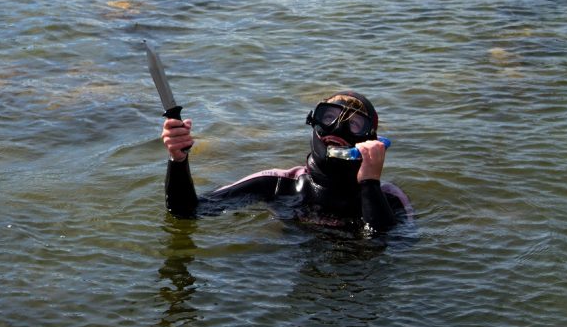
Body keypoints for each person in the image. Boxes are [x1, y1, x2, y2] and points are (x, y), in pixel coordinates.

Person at [162, 91, 412, 233]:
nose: (338, 127)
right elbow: (187, 212)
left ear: (369, 140)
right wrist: (178, 160)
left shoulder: (389, 198)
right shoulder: (278, 184)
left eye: (355, 124)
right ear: (314, 123)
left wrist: (369, 183)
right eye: (329, 117)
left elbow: (385, 246)